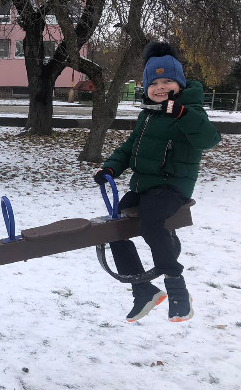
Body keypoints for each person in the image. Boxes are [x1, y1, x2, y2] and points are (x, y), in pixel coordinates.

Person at [93, 42, 221, 323]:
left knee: (151, 223)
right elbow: (130, 147)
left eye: (167, 81)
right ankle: (143, 291)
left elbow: (210, 139)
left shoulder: (190, 110)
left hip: (173, 186)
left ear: (180, 84)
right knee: (112, 226)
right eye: (154, 83)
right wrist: (111, 167)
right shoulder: (148, 114)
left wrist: (182, 114)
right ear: (146, 86)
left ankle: (177, 289)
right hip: (144, 186)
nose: (160, 87)